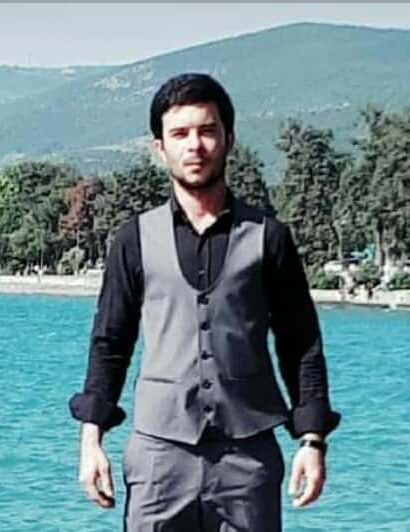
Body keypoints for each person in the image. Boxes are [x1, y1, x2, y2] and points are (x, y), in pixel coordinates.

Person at [69, 73, 341, 531]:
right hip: (158, 457)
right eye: (179, 134)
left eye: (207, 130)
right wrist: (91, 440)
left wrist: (312, 440)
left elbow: (301, 345)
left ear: (228, 140)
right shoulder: (134, 239)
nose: (194, 145)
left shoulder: (269, 237)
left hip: (248, 459)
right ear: (160, 148)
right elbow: (110, 343)